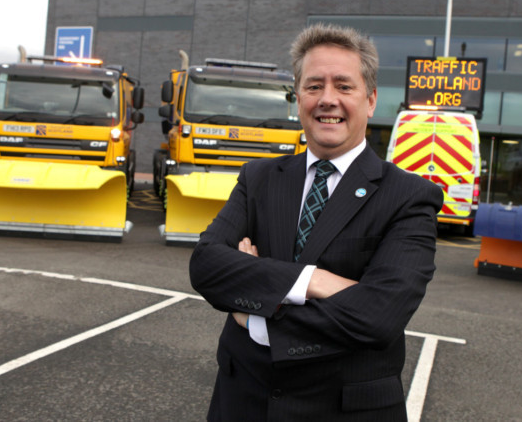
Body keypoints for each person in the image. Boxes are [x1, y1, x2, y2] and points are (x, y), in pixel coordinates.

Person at [189, 23, 443, 422]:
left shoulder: (408, 197)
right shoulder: (257, 178)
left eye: (344, 86)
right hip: (243, 404)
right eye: (313, 86)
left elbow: (379, 317)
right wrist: (315, 281)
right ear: (298, 97)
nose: (328, 99)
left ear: (371, 100)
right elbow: (206, 265)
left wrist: (255, 315)